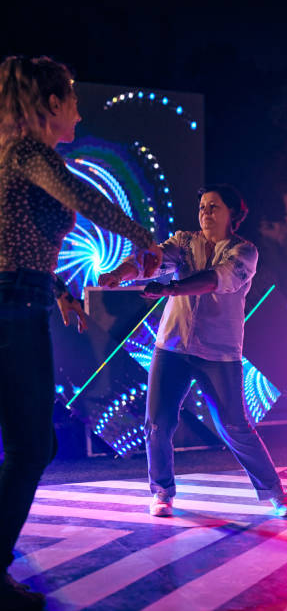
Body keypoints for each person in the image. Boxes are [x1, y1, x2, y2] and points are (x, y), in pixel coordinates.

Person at [0, 55, 161, 610]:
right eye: (70, 97)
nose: (78, 107)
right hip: (12, 308)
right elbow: (81, 197)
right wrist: (143, 237)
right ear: (50, 105)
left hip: (22, 300)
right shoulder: (26, 152)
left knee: (27, 445)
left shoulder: (11, 158)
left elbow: (19, 240)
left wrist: (61, 293)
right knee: (30, 446)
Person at [99, 184, 287, 520]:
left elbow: (214, 279)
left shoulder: (244, 252)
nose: (206, 212)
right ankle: (162, 491)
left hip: (220, 352)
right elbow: (153, 259)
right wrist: (121, 273)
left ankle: (276, 492)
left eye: (214, 207)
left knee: (235, 426)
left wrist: (171, 289)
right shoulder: (183, 242)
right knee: (157, 424)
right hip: (173, 346)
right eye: (203, 206)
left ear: (232, 214)